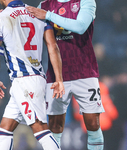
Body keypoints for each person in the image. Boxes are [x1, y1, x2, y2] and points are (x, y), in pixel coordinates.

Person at [26, 0, 105, 149]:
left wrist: (49, 16)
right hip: (56, 75)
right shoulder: (44, 5)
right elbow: (26, 24)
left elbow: (80, 27)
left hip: (85, 72)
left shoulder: (85, 1)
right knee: (55, 125)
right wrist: (8, 15)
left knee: (93, 124)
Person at [0, 0, 65, 149]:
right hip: (34, 79)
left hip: (24, 82)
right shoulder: (38, 13)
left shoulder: (0, 18)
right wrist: (59, 78)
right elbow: (53, 47)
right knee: (4, 129)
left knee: (41, 130)